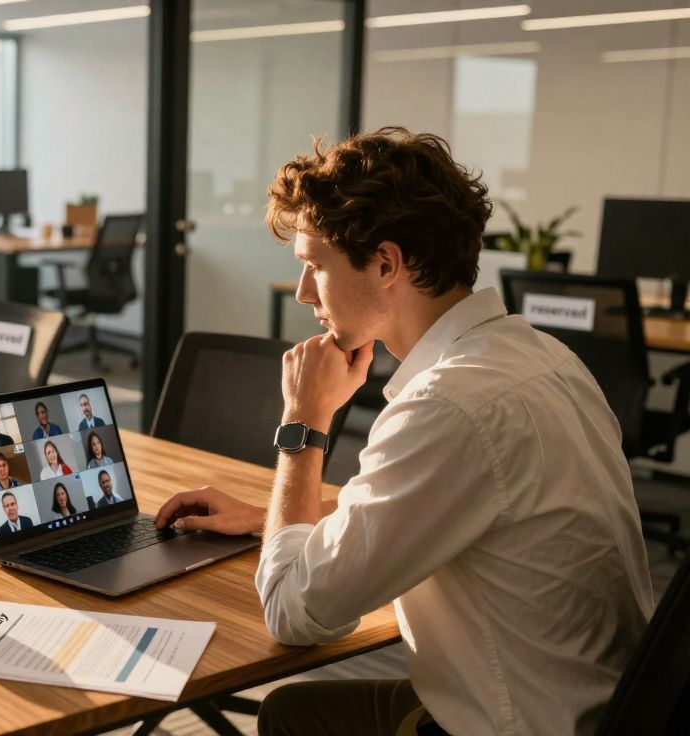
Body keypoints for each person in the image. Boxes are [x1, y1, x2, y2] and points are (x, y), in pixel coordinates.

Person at [153, 127, 652, 736]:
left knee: (293, 714)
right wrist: (274, 518)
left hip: (515, 722)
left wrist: (304, 423)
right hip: (600, 704)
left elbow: (296, 611)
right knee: (292, 713)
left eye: (315, 266)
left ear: (387, 263)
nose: (305, 292)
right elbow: (447, 505)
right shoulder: (543, 357)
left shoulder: (445, 405)